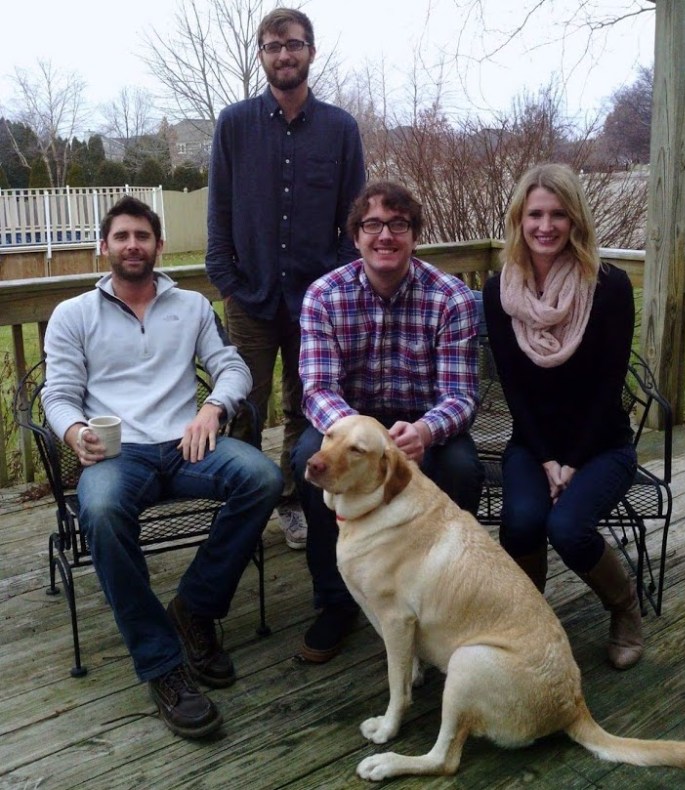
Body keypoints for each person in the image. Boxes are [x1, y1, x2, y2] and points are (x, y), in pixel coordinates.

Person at [42, 196, 283, 739]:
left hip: (187, 445)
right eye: (122, 236)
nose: (133, 245)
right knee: (100, 510)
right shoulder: (73, 315)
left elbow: (231, 366)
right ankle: (162, 665)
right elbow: (57, 396)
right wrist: (76, 432)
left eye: (143, 236)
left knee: (263, 478)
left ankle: (195, 607)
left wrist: (213, 408)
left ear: (158, 246)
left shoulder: (192, 307)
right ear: (104, 247)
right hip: (118, 454)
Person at [292, 181, 485, 663]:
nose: (385, 235)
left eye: (398, 225)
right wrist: (363, 437)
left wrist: (424, 431)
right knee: (306, 460)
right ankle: (336, 602)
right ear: (355, 236)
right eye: (372, 225)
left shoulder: (451, 298)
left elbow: (461, 395)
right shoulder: (323, 296)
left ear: (414, 235)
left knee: (464, 467)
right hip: (346, 427)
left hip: (422, 428)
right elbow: (317, 390)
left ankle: (442, 594)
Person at [205, 7, 366, 551]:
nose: (284, 55)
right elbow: (219, 213)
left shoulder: (340, 129)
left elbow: (355, 216)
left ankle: (293, 500)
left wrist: (336, 285)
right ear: (262, 55)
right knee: (244, 404)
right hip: (248, 296)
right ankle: (243, 504)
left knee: (306, 405)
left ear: (311, 52)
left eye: (293, 45)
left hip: (315, 302)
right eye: (273, 47)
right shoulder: (234, 124)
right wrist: (226, 280)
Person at [482, 162, 641, 670]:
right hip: (534, 444)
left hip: (602, 445)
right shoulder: (500, 291)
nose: (545, 226)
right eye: (535, 214)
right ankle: (529, 625)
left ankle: (625, 610)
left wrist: (571, 461)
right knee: (523, 522)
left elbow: (608, 387)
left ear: (575, 220)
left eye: (557, 214)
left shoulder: (609, 287)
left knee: (569, 528)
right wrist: (548, 457)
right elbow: (513, 387)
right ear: (519, 220)